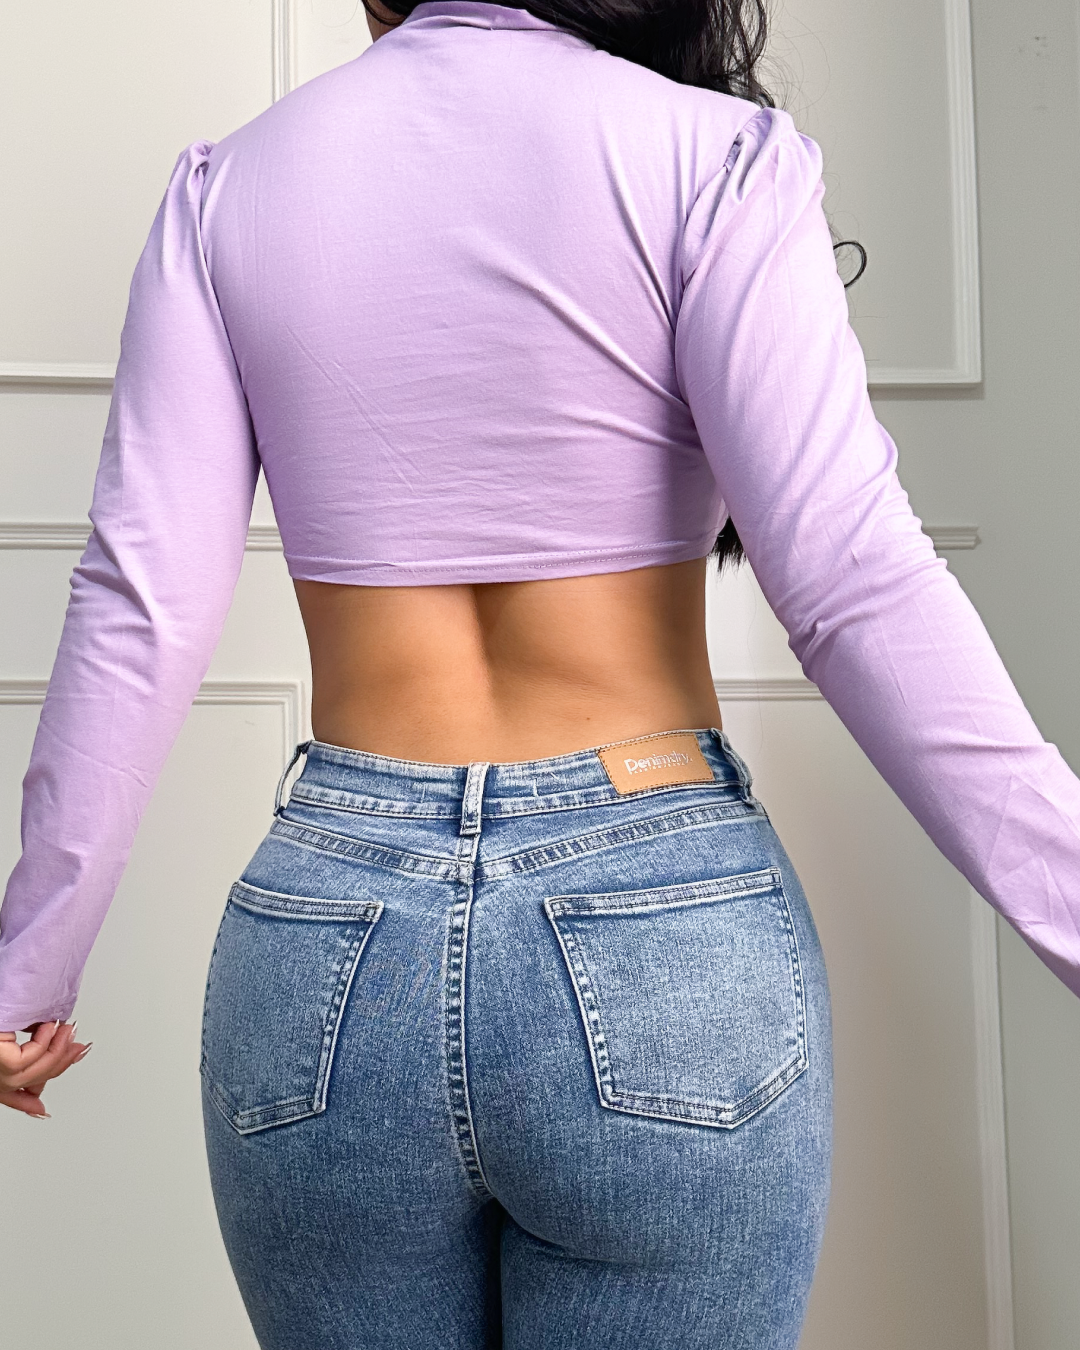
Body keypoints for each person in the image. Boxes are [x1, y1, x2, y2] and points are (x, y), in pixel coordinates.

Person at [3, 0, 1080, 1345]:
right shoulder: (713, 158)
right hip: (658, 920)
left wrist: (26, 970)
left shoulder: (230, 188)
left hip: (331, 938)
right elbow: (852, 581)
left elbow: (141, 603)